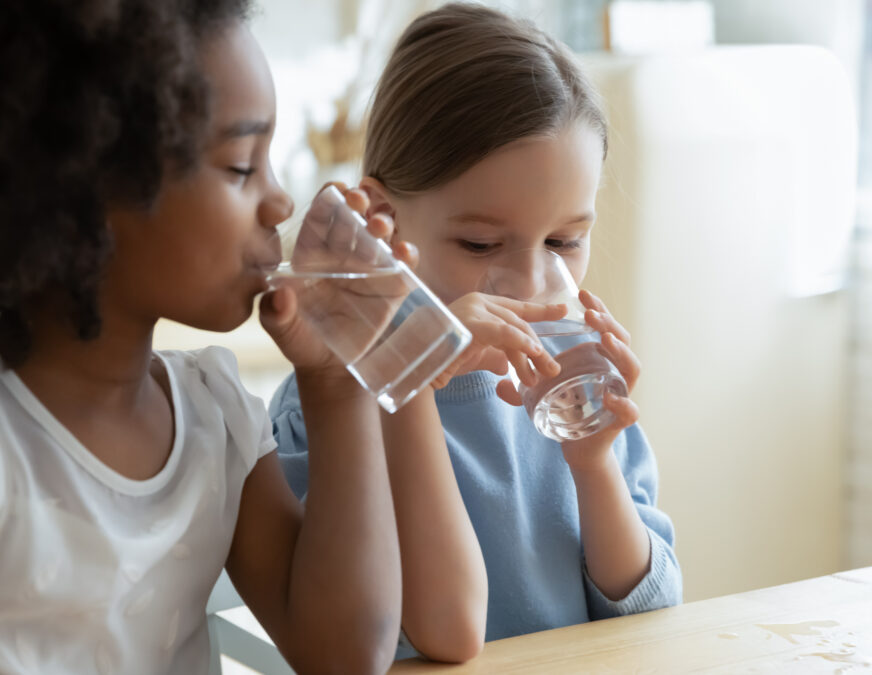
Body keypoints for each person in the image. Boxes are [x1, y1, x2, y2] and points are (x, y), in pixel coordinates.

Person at [0, 1, 407, 672]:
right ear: (80, 190)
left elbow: (349, 652)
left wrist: (336, 378)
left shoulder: (216, 416)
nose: (281, 201)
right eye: (240, 166)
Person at [271, 2, 682, 662]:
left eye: (564, 240)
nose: (529, 281)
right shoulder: (330, 403)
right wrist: (408, 364)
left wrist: (595, 464)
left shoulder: (570, 384)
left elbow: (650, 613)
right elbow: (429, 632)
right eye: (481, 242)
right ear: (383, 219)